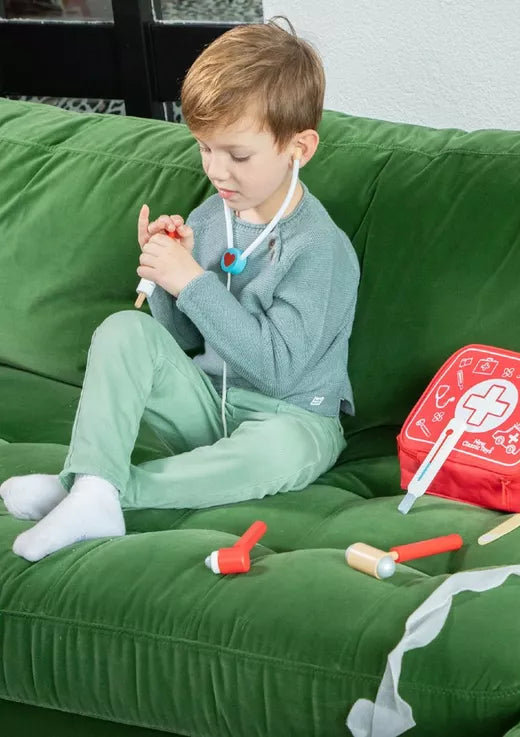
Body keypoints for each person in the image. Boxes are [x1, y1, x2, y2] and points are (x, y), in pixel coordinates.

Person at [1, 18, 360, 562]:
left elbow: (278, 369)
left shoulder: (320, 249)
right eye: (204, 148)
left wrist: (191, 280)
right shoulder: (213, 215)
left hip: (290, 418)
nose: (217, 170)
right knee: (124, 329)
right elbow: (180, 341)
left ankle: (93, 490)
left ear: (299, 148)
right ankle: (93, 482)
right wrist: (167, 280)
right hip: (206, 407)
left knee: (281, 450)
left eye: (237, 155)